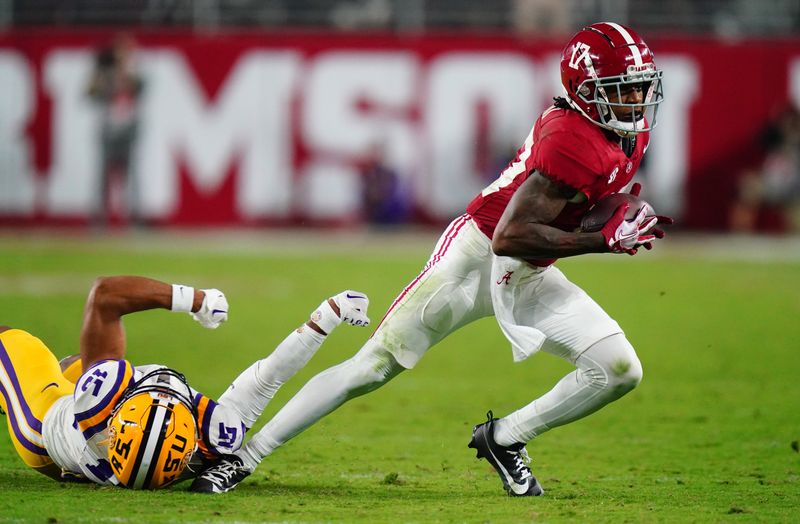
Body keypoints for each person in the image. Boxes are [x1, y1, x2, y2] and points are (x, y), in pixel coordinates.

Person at [192, 22, 672, 497]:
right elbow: (510, 237)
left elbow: (569, 212)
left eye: (638, 88)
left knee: (618, 369)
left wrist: (617, 214)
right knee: (370, 368)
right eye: (622, 91)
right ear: (582, 90)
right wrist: (603, 240)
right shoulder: (571, 140)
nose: (635, 101)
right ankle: (244, 458)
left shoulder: (625, 134)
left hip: (528, 273)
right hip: (473, 260)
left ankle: (505, 438)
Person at [0, 276, 370, 488]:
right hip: (87, 461)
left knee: (15, 344)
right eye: (172, 399)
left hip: (44, 428)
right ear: (192, 444)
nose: (165, 384)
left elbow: (105, 297)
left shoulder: (101, 398)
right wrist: (326, 317)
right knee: (72, 364)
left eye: (153, 392)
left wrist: (192, 299)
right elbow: (270, 375)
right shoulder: (210, 437)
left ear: (118, 416)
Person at [86, 34, 143, 226]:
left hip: (128, 129)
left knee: (132, 176)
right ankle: (99, 218)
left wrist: (126, 71)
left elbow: (140, 89)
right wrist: (104, 75)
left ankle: (134, 218)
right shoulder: (105, 73)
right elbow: (91, 93)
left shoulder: (134, 71)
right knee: (103, 175)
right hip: (109, 128)